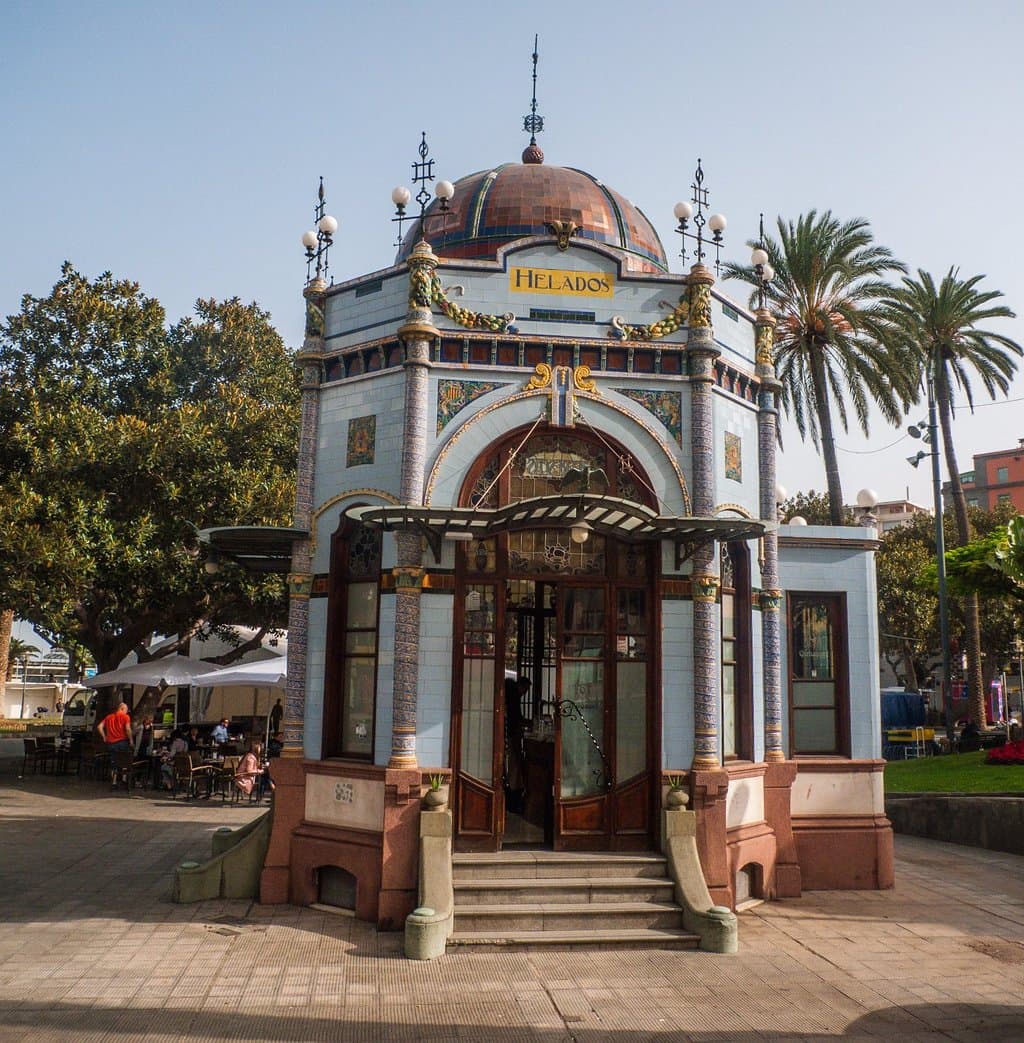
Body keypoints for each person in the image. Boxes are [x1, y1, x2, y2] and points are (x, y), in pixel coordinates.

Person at [503, 676, 530, 813]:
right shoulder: (513, 695)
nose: (524, 693)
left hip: (508, 733)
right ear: (520, 685)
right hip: (510, 734)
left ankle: (512, 789)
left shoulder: (511, 693)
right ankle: (513, 794)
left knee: (512, 765)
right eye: (525, 689)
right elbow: (515, 717)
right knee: (514, 764)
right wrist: (525, 723)